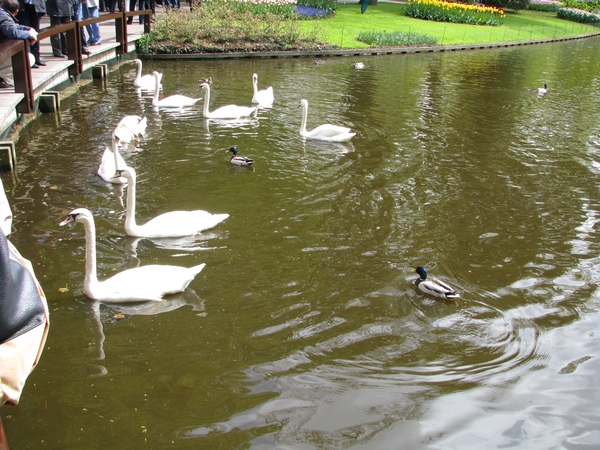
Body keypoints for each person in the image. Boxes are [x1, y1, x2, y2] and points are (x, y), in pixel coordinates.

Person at [0, 0, 36, 88]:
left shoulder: (3, 13)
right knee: (28, 58)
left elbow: (15, 26)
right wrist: (29, 35)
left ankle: (2, 77)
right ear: (16, 11)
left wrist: (29, 29)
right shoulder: (3, 15)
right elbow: (13, 32)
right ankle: (1, 77)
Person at [17, 0, 45, 67]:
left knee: (35, 32)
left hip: (36, 5)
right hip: (22, 7)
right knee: (26, 32)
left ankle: (36, 57)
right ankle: (29, 59)